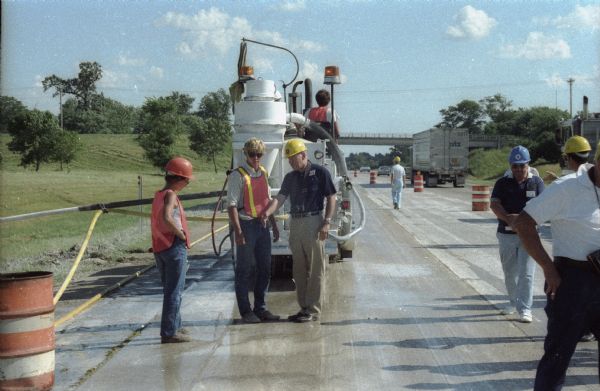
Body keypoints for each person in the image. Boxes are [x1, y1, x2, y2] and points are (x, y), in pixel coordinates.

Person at [514, 142, 600, 390]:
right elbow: (524, 223)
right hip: (572, 283)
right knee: (557, 357)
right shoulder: (568, 188)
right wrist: (548, 269)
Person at [261, 138, 337, 323]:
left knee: (316, 268)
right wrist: (267, 212)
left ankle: (313, 309)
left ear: (303, 155)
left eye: (293, 159)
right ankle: (303, 308)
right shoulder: (290, 177)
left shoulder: (320, 173)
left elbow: (332, 197)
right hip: (296, 222)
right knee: (299, 269)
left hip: (314, 222)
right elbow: (279, 198)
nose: (291, 163)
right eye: (289, 160)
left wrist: (327, 222)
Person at [227, 138, 281, 324]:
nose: (256, 158)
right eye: (252, 154)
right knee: (244, 270)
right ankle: (246, 311)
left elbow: (267, 200)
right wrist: (238, 232)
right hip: (247, 226)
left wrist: (273, 225)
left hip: (262, 226)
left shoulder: (264, 173)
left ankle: (261, 308)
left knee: (264, 269)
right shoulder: (238, 175)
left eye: (259, 154)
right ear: (246, 154)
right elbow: (232, 206)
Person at [490, 145, 545, 323]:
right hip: (506, 235)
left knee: (527, 273)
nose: (519, 170)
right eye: (515, 166)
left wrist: (527, 222)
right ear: (510, 166)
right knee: (509, 272)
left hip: (529, 236)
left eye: (522, 165)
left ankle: (525, 309)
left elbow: (544, 207)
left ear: (528, 165)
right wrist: (509, 219)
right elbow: (494, 205)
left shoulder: (536, 182)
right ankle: (512, 302)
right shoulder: (502, 183)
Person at [151, 157, 194, 344]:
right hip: (173, 246)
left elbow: (157, 221)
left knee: (170, 290)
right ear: (179, 178)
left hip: (160, 247)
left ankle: (175, 325)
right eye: (187, 180)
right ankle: (169, 332)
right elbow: (167, 218)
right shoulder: (170, 195)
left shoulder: (159, 195)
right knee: (174, 292)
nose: (187, 183)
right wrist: (182, 235)